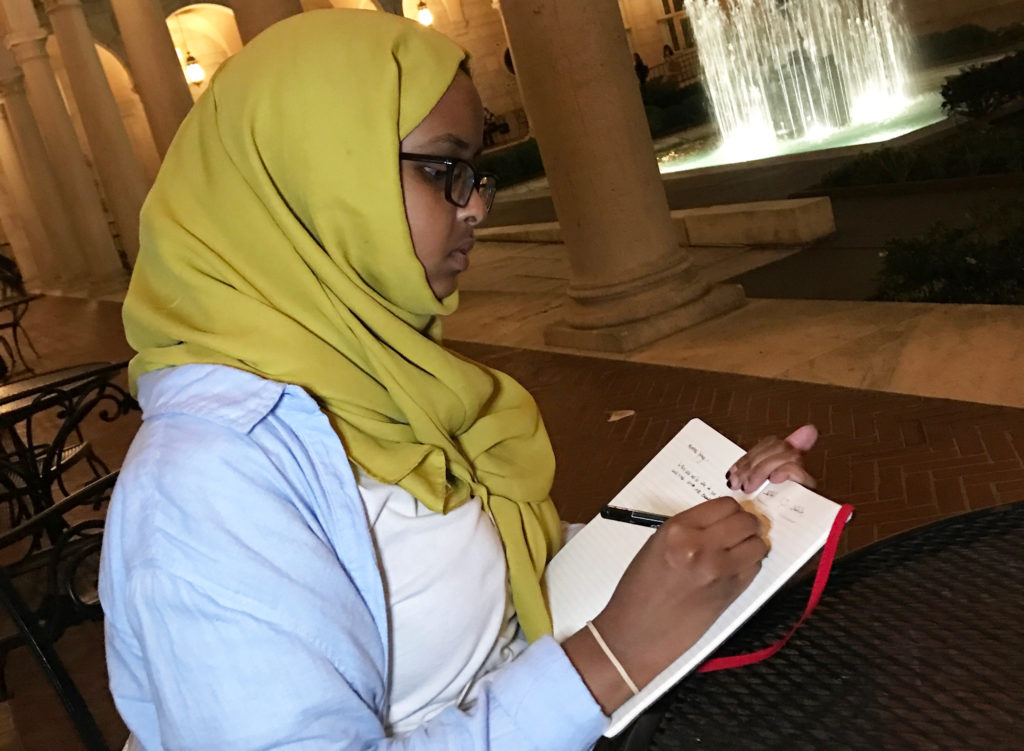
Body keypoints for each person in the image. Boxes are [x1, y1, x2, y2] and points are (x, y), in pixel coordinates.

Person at [99, 10, 819, 750]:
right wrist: (608, 658)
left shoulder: (381, 378)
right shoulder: (208, 483)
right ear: (317, 172)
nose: (476, 205)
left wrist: (711, 527)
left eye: (478, 172)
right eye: (445, 170)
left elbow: (483, 584)